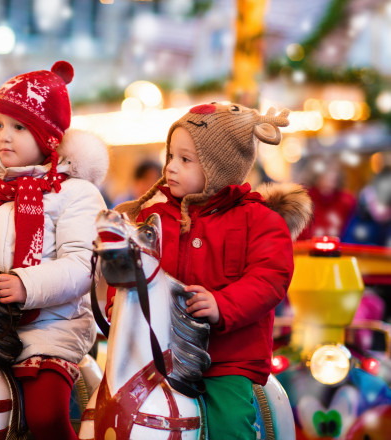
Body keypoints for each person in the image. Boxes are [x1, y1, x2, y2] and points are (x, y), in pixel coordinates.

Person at [109, 103, 311, 438]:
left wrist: (222, 304)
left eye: (185, 160)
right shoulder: (153, 218)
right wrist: (119, 309)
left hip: (225, 359)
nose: (171, 167)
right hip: (158, 354)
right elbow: (133, 273)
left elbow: (269, 279)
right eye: (170, 156)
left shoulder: (259, 221)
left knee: (229, 423)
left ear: (218, 168)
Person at [0, 61, 108, 440]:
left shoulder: (74, 193)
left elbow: (83, 264)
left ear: (48, 138)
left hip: (49, 326)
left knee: (44, 413)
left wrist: (25, 284)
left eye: (19, 127)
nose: (4, 136)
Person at [298, 157, 356, 240]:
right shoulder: (304, 199)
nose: (331, 176)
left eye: (334, 172)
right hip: (307, 245)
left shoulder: (346, 201)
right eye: (327, 172)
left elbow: (350, 231)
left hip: (338, 245)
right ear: (317, 176)